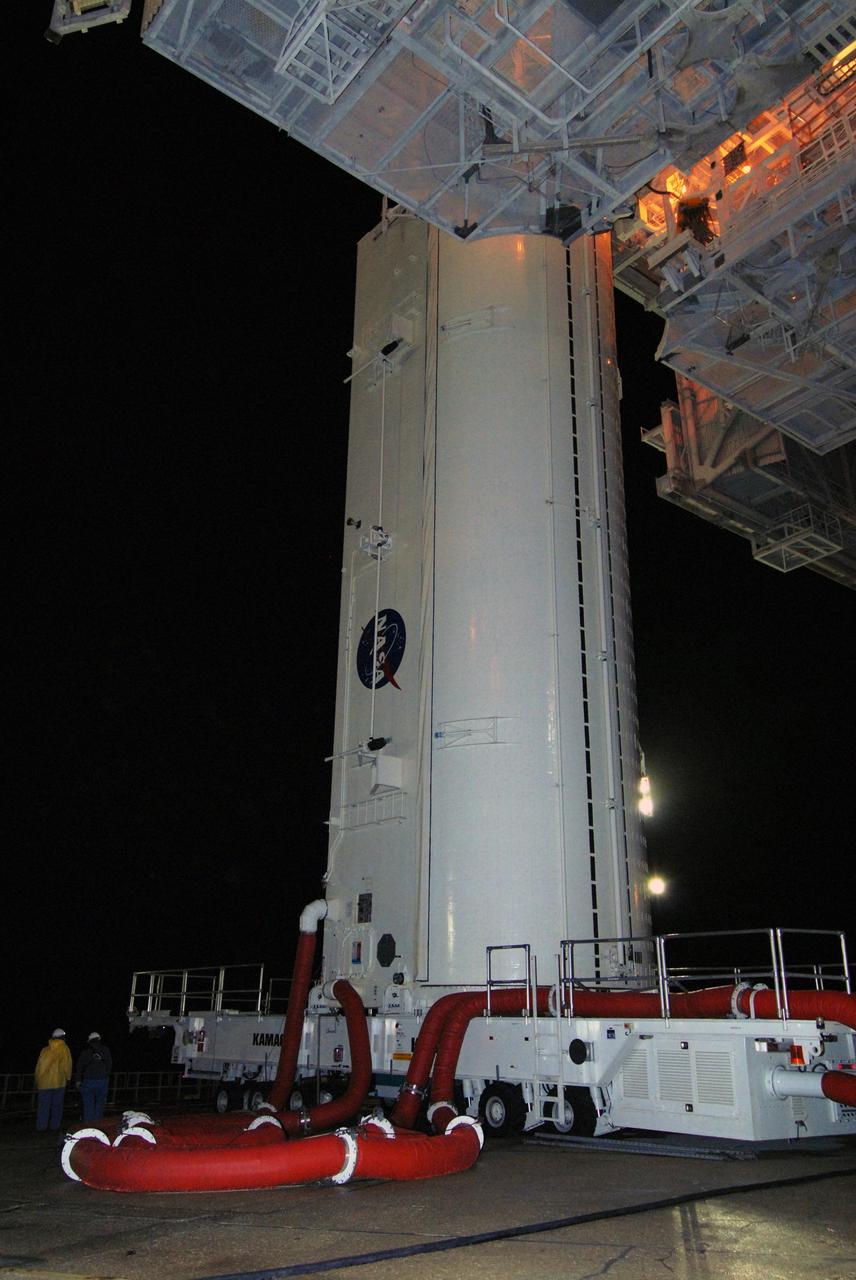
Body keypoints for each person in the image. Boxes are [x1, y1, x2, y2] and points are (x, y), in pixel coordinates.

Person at [34, 1029, 73, 1132]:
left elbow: (38, 1067)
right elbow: (67, 1065)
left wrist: (37, 1080)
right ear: (62, 1037)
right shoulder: (64, 1048)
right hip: (58, 1082)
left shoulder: (45, 1049)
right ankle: (54, 1127)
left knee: (43, 1107)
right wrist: (68, 1078)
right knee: (57, 1106)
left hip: (43, 1083)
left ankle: (41, 1127)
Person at [76, 1032, 112, 1123]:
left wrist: (78, 1080)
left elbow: (79, 1067)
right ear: (99, 1039)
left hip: (88, 1081)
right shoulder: (105, 1050)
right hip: (102, 1080)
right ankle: (97, 1124)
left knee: (88, 1104)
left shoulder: (85, 1052)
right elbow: (109, 1065)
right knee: (99, 1104)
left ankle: (88, 1125)